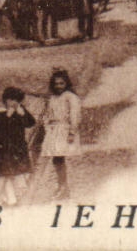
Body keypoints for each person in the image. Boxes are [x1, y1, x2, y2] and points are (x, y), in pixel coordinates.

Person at [0, 86, 37, 208]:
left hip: (19, 147)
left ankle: (17, 195)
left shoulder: (20, 111)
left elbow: (31, 123)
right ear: (5, 100)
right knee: (6, 174)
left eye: (17, 100)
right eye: (10, 100)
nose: (13, 103)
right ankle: (11, 199)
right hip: (4, 148)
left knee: (21, 172)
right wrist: (8, 116)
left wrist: (22, 112)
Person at [43, 68, 82, 199]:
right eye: (56, 84)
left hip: (64, 130)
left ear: (66, 84)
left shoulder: (71, 97)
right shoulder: (53, 98)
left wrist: (72, 132)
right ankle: (62, 186)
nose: (58, 86)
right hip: (54, 130)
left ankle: (63, 187)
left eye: (61, 83)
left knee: (59, 158)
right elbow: (48, 114)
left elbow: (75, 115)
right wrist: (47, 124)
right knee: (56, 159)